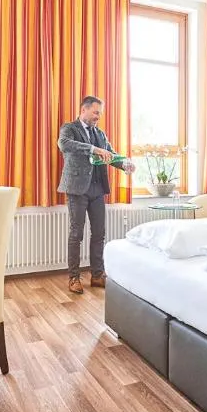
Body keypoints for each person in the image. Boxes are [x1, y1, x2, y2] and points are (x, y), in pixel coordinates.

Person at [57, 96, 135, 294]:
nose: (98, 117)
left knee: (99, 233)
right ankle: (74, 278)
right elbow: (64, 144)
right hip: (77, 189)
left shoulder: (100, 133)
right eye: (95, 112)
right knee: (76, 234)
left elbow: (110, 155)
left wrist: (125, 164)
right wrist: (93, 149)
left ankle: (97, 275)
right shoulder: (69, 128)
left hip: (97, 189)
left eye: (99, 113)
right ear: (84, 110)